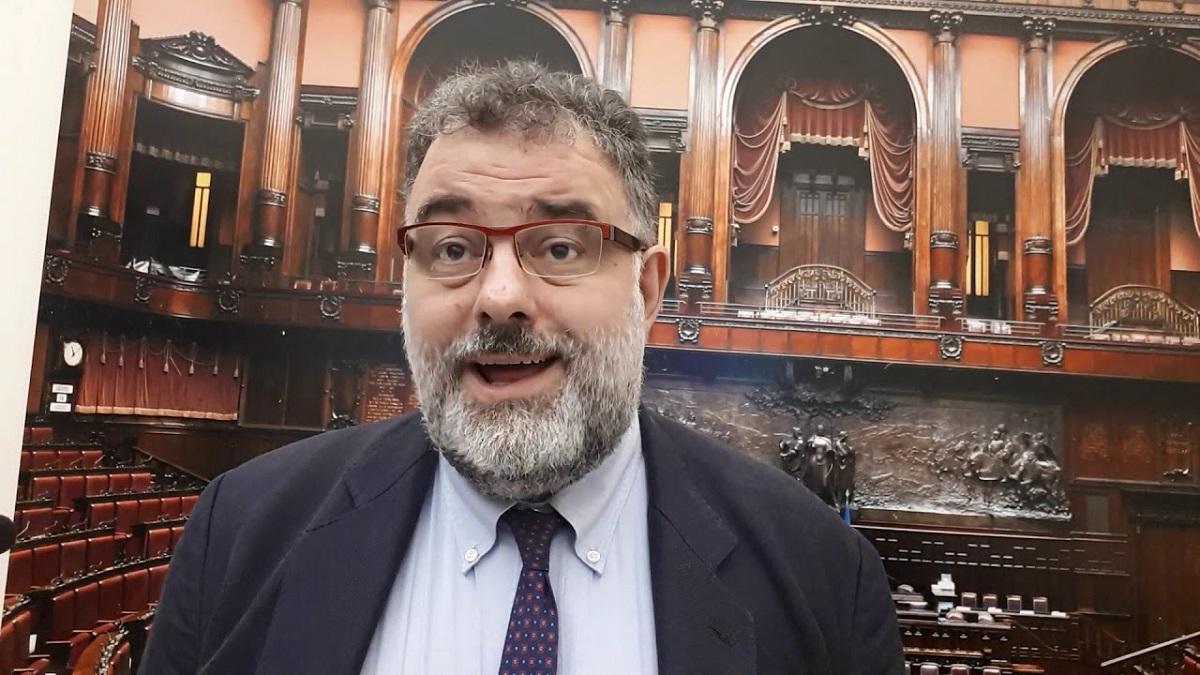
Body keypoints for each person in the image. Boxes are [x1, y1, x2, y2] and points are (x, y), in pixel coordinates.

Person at [140, 61, 903, 675]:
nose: (500, 298)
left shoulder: (822, 573)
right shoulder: (240, 531)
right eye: (452, 246)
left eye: (560, 246)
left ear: (646, 289)